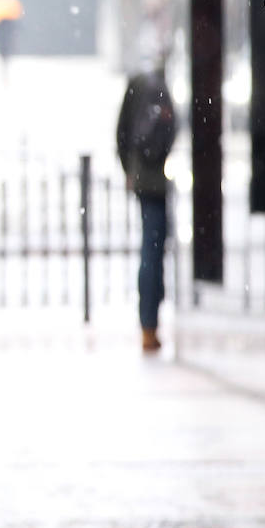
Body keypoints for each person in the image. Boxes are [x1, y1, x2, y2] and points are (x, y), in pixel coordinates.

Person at [115, 66, 177, 353]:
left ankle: (148, 324)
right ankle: (150, 322)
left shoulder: (136, 85)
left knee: (150, 250)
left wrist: (129, 169)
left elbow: (121, 132)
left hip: (142, 178)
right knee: (154, 249)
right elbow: (172, 131)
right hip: (156, 181)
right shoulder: (159, 87)